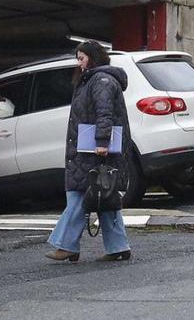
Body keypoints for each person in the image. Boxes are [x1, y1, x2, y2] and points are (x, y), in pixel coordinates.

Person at [45, 40, 133, 263]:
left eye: (82, 58)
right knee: (104, 197)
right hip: (92, 150)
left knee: (78, 197)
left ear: (93, 58)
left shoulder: (100, 80)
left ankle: (65, 245)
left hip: (94, 151)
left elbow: (105, 113)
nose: (79, 62)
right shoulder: (95, 79)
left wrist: (102, 141)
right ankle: (118, 247)